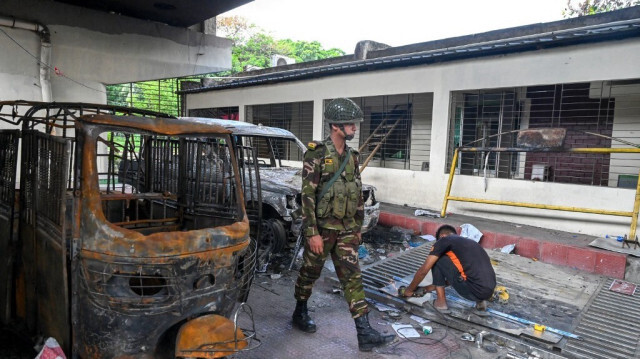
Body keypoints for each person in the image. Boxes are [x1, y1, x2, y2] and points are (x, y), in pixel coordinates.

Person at [292, 98, 395, 351]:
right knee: (310, 272)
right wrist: (312, 233)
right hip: (322, 231)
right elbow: (307, 196)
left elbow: (356, 194)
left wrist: (357, 229)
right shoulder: (316, 153)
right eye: (351, 123)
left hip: (347, 231)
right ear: (336, 126)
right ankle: (300, 311)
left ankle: (364, 333)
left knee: (353, 278)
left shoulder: (352, 157)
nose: (355, 128)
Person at [401, 224, 496, 316]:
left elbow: (423, 270)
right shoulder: (471, 243)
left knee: (438, 259)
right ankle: (480, 304)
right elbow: (458, 275)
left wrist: (409, 290)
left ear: (442, 236)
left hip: (472, 291)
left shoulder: (444, 241)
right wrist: (427, 288)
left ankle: (441, 303)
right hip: (487, 292)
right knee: (465, 271)